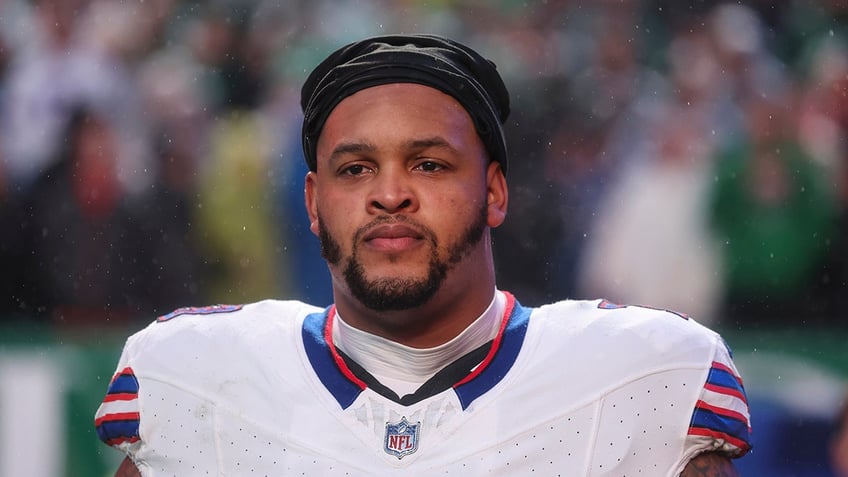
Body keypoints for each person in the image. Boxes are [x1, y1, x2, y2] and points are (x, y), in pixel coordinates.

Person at [94, 34, 752, 476]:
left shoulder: (641, 375)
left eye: (429, 163)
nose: (389, 194)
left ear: (494, 191)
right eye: (355, 169)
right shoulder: (192, 378)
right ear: (314, 201)